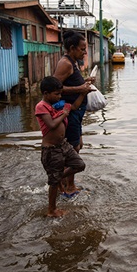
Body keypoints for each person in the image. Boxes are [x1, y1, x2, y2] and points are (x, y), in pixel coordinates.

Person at [36, 76, 87, 217]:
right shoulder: (41, 106)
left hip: (63, 145)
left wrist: (83, 94)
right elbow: (51, 124)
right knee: (53, 183)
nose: (59, 97)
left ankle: (57, 178)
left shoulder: (57, 105)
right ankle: (51, 210)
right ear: (46, 93)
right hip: (51, 149)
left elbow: (75, 106)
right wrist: (64, 113)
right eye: (56, 94)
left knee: (79, 164)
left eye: (60, 94)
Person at [53, 30, 95, 196]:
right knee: (73, 148)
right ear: (72, 48)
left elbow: (70, 82)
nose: (85, 52)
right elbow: (54, 88)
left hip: (76, 113)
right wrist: (80, 88)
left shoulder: (73, 62)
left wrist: (85, 82)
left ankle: (65, 181)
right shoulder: (66, 63)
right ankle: (67, 185)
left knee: (77, 146)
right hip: (69, 113)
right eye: (82, 49)